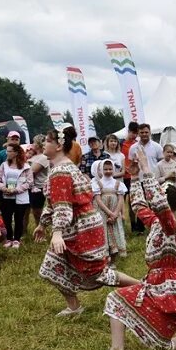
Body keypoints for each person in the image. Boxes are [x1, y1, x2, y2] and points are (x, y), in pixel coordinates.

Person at [33, 126, 137, 316]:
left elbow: (63, 206)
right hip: (80, 224)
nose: (43, 144)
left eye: (47, 141)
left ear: (58, 146)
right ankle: (74, 307)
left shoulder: (61, 171)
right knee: (51, 267)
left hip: (82, 228)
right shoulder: (62, 167)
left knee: (98, 272)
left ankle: (143, 287)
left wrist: (56, 233)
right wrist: (43, 224)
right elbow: (55, 202)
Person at [102, 147, 176, 350]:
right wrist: (134, 176)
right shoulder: (157, 224)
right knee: (159, 344)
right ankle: (117, 349)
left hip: (167, 290)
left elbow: (158, 205)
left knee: (160, 345)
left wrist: (146, 169)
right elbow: (138, 204)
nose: (155, 199)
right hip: (156, 285)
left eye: (159, 195)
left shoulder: (172, 226)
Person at [0, 142, 32, 248]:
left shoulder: (26, 166)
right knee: (6, 217)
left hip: (20, 197)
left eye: (9, 151)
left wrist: (17, 190)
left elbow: (29, 182)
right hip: (6, 196)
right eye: (7, 151)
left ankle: (17, 239)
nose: (7, 153)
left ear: (16, 153)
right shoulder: (4, 165)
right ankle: (8, 238)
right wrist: (3, 188)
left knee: (19, 218)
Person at [92, 159, 128, 260]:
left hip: (115, 212)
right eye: (105, 169)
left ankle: (114, 257)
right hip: (102, 213)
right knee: (103, 233)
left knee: (115, 232)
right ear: (101, 170)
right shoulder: (97, 184)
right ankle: (105, 257)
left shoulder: (118, 184)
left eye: (110, 169)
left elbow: (121, 199)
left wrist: (116, 213)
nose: (108, 171)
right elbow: (98, 199)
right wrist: (109, 213)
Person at [121, 122, 143, 234]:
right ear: (128, 131)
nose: (134, 135)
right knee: (121, 203)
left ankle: (137, 226)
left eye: (136, 133)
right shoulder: (121, 144)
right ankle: (123, 226)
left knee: (134, 201)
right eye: (132, 132)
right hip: (123, 177)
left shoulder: (137, 145)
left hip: (134, 177)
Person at [157, 144, 176, 212]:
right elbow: (157, 180)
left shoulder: (175, 164)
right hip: (164, 189)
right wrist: (166, 177)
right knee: (165, 210)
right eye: (168, 152)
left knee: (173, 209)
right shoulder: (159, 164)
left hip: (174, 188)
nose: (169, 154)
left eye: (171, 152)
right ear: (163, 152)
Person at [28, 134, 49, 226]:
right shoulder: (32, 156)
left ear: (38, 144)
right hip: (29, 186)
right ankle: (24, 232)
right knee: (27, 211)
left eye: (34, 142)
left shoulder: (43, 157)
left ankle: (40, 228)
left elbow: (32, 171)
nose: (32, 144)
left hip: (38, 187)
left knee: (37, 212)